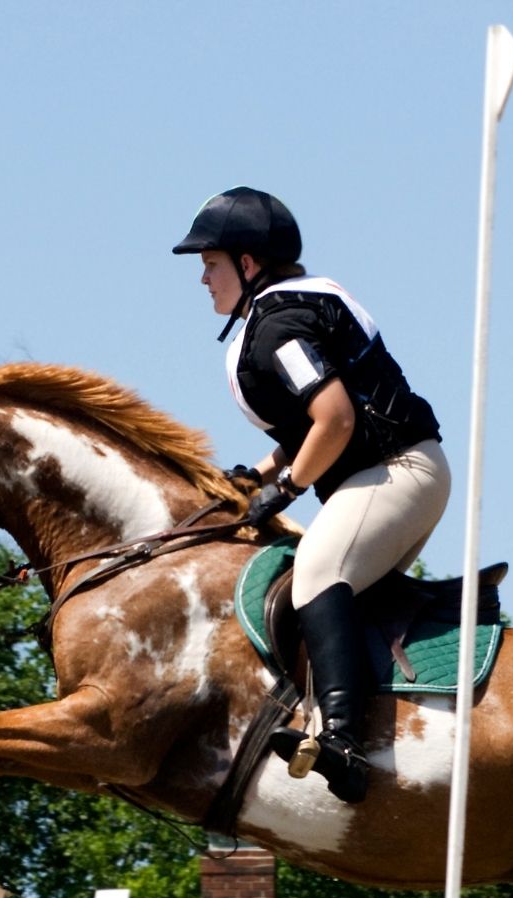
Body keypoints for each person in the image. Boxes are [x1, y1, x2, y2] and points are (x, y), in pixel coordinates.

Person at [173, 186, 450, 804]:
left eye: (210, 263)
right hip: (387, 475)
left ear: (249, 264)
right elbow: (306, 430)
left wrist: (290, 488)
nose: (202, 279)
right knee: (334, 594)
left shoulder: (279, 327)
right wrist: (256, 477)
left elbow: (336, 420)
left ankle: (347, 746)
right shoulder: (283, 314)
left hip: (395, 471)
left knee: (317, 572)